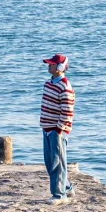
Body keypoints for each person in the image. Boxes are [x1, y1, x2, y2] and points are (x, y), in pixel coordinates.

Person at [40, 53, 75, 199]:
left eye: (52, 64)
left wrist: (59, 129)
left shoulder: (65, 87)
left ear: (60, 67)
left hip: (56, 129)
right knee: (50, 162)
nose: (49, 65)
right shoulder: (49, 83)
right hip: (47, 127)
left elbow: (67, 111)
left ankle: (59, 195)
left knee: (58, 162)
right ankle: (66, 187)